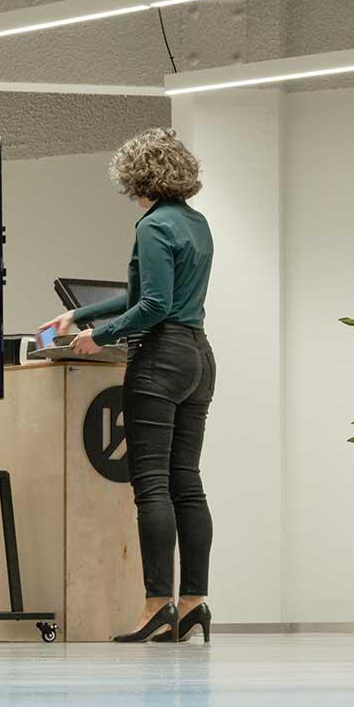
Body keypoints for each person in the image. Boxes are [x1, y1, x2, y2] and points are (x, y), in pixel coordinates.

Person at [53, 127, 216, 643]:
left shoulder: (153, 225)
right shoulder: (196, 223)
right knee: (187, 482)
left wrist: (98, 337)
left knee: (152, 485)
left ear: (135, 176)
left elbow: (152, 306)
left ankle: (155, 604)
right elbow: (143, 293)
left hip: (159, 359)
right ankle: (193, 603)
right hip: (198, 356)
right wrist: (80, 315)